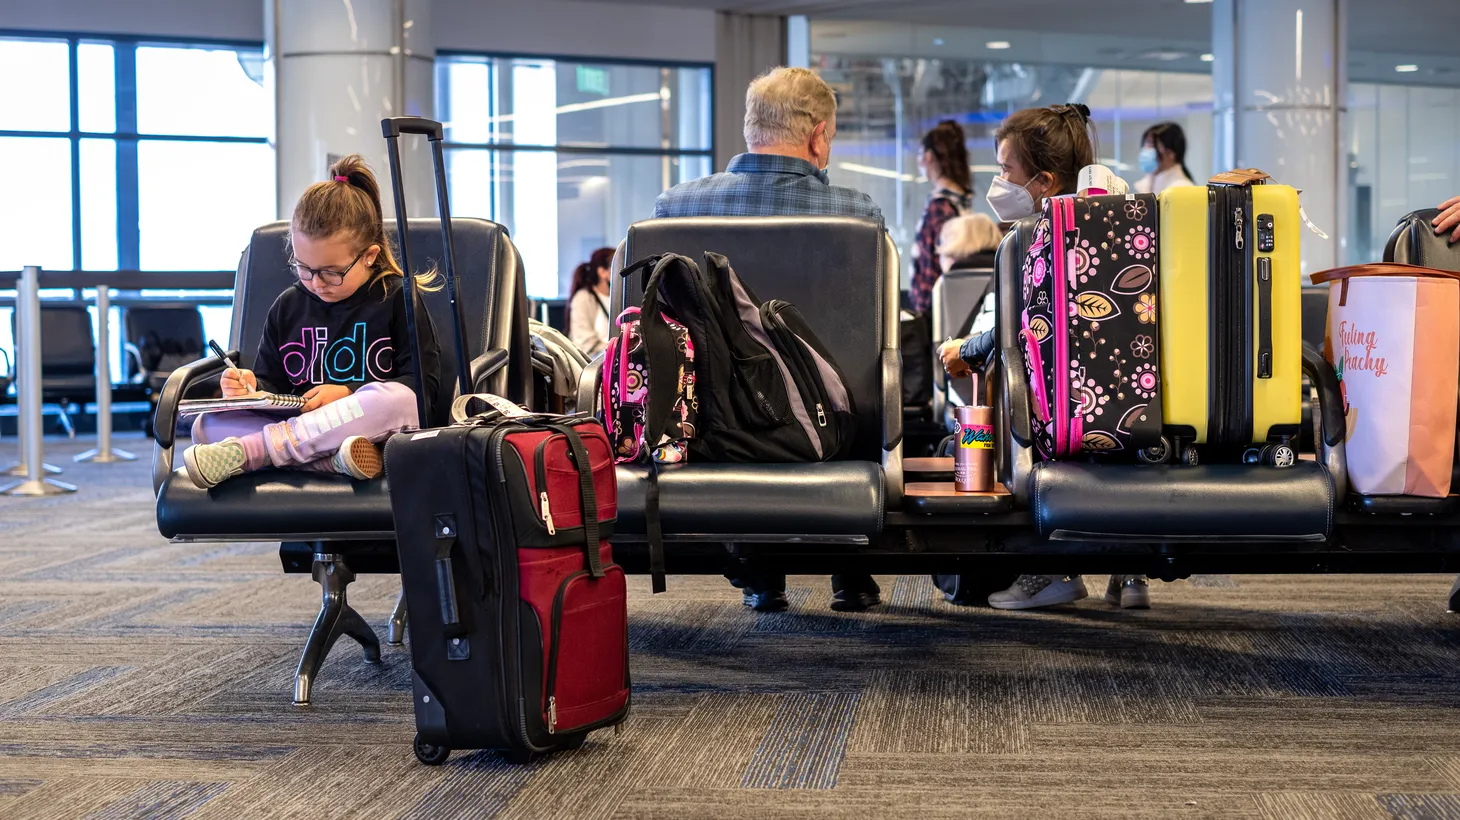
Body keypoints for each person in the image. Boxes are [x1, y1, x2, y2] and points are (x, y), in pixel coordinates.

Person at [652, 66, 883, 615]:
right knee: (862, 374)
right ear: (818, 135)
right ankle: (849, 569)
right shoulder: (858, 215)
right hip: (831, 423)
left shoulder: (673, 208)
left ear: (751, 128)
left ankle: (757, 566)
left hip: (705, 420)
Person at [941, 103, 1152, 611]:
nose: (999, 181)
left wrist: (963, 349)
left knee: (1004, 432)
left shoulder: (1035, 238)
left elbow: (1022, 326)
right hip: (1131, 401)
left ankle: (1051, 570)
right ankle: (1130, 574)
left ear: (1044, 181)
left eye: (1006, 170)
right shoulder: (1121, 223)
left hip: (1057, 406)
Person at [180, 154, 440, 490]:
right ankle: (331, 462)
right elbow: (271, 382)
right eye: (304, 268)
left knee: (400, 400)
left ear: (370, 256)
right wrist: (251, 387)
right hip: (314, 432)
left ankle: (256, 451)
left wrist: (348, 393)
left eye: (331, 272)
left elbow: (423, 392)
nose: (317, 282)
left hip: (368, 427)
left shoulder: (396, 298)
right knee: (207, 425)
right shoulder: (287, 306)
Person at [909, 120, 974, 314]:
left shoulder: (940, 206)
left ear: (928, 157)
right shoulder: (961, 201)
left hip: (935, 311)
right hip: (955, 303)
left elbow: (931, 264)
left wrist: (922, 311)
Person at [567, 247, 614, 356]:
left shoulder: (620, 298)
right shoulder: (583, 298)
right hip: (595, 366)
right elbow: (584, 343)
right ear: (602, 272)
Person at [1133, 122, 1195, 194]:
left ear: (1171, 153)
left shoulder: (1183, 189)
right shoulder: (1146, 185)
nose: (1146, 150)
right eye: (1146, 144)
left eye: (1151, 144)